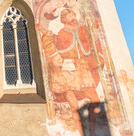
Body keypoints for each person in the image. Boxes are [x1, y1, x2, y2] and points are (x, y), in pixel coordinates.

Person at [42, 8, 104, 136]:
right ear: (63, 19)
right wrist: (55, 56)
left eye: (73, 14)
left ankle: (93, 130)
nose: (72, 17)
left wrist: (95, 26)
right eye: (69, 15)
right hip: (65, 71)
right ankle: (82, 132)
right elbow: (48, 44)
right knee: (74, 106)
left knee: (94, 98)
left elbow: (93, 40)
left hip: (82, 69)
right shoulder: (59, 32)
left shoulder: (82, 30)